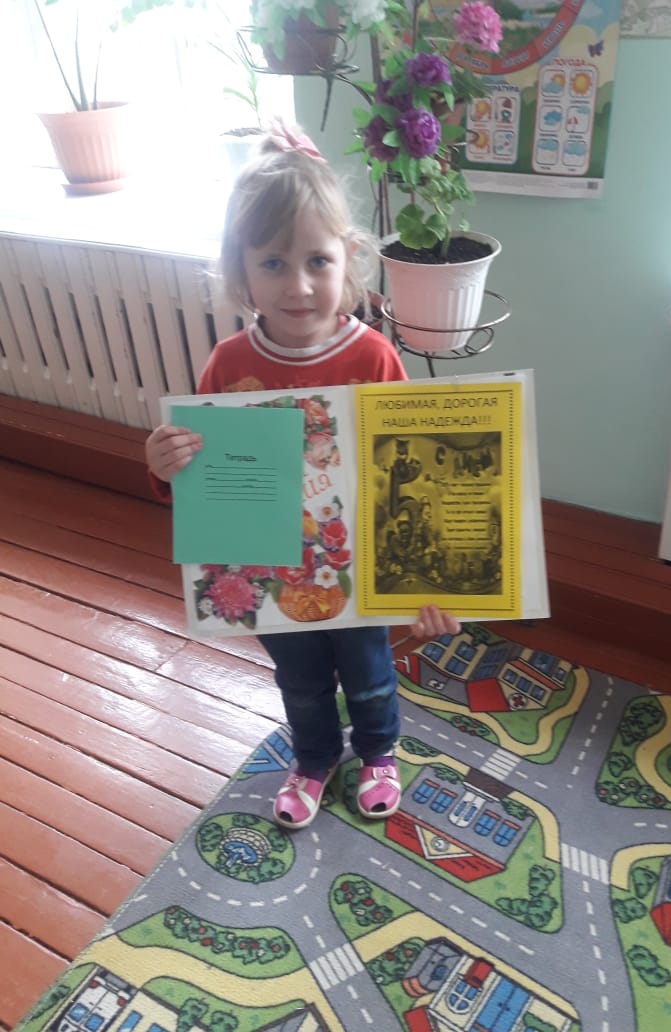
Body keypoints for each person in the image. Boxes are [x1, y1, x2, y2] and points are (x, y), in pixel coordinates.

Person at [145, 124, 460, 831]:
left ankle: (378, 752)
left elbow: (413, 480)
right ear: (241, 271)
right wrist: (167, 465)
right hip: (269, 570)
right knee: (301, 680)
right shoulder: (228, 365)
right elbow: (203, 479)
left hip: (358, 567)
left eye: (318, 260)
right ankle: (313, 757)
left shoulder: (374, 359)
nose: (298, 285)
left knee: (369, 671)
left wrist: (431, 584)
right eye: (273, 262)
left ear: (349, 260)